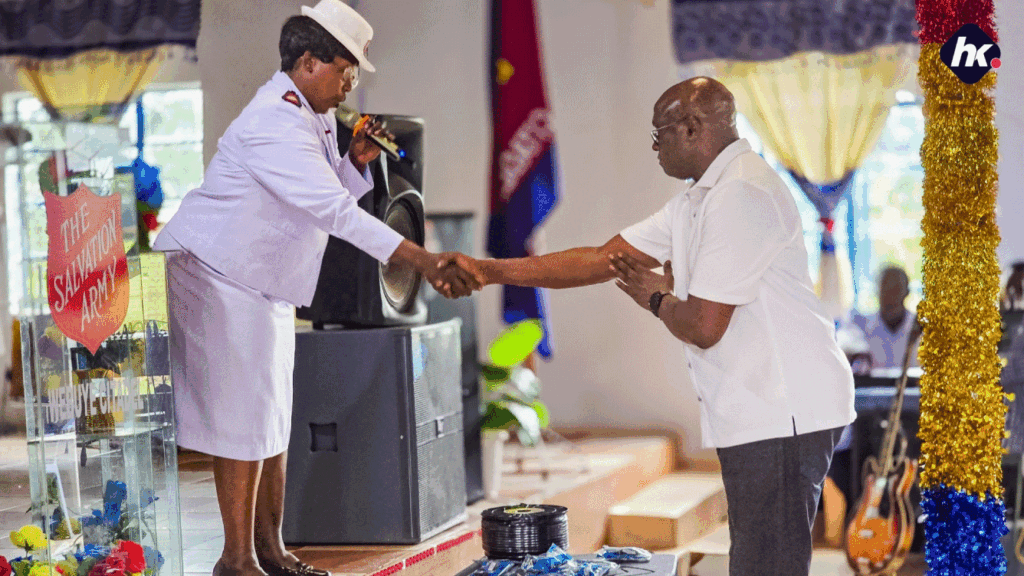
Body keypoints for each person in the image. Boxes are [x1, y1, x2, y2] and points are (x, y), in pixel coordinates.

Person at [445, 77, 854, 576]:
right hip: (762, 405)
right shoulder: (696, 201)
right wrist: (490, 271)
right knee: (758, 559)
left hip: (783, 408)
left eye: (660, 132)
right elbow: (600, 259)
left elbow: (705, 326)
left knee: (765, 565)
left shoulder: (741, 193)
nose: (654, 145)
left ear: (693, 128)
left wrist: (655, 297)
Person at [151, 3, 482, 576]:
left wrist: (355, 160)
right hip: (219, 274)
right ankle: (236, 560)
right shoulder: (273, 121)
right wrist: (424, 260)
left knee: (273, 415)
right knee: (239, 420)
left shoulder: (314, 116)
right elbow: (331, 212)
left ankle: (272, 551)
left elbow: (325, 192)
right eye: (345, 71)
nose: (350, 85)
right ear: (308, 62)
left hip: (262, 284)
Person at [851, 265, 920, 370]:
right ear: (877, 291)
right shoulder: (860, 327)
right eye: (885, 287)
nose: (891, 295)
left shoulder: (923, 329)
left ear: (907, 292)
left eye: (896, 288)